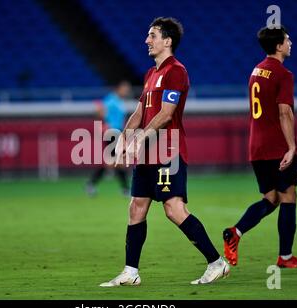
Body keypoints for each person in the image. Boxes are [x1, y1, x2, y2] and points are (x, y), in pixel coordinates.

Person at [99, 17, 230, 287]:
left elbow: (167, 113)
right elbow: (139, 112)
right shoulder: (150, 74)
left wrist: (142, 137)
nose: (147, 40)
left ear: (167, 41)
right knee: (136, 208)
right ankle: (130, 272)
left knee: (174, 209)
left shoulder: (176, 71)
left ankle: (217, 263)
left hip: (167, 151)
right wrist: (124, 139)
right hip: (147, 154)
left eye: (152, 35)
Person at [222, 26, 297, 268]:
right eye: (287, 39)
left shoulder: (256, 70)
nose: (290, 42)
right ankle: (285, 258)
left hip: (256, 146)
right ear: (278, 46)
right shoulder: (284, 74)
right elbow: (285, 112)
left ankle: (235, 232)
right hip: (276, 146)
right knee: (288, 196)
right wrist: (292, 147)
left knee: (271, 198)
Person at [86, 80, 131, 197]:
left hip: (118, 132)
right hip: (112, 132)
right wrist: (104, 124)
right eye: (124, 89)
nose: (126, 91)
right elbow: (99, 109)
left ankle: (92, 184)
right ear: (118, 89)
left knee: (114, 161)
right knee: (116, 161)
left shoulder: (119, 101)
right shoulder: (111, 99)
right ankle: (125, 189)